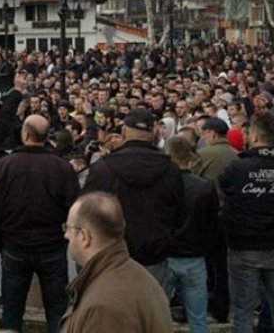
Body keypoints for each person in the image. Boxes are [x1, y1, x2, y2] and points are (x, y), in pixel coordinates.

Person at [0, 114, 80, 332]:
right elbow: (75, 208)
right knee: (57, 313)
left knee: (12, 313)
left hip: (15, 246)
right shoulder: (62, 168)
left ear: (25, 134)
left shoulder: (2, 167)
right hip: (51, 246)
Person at [82, 107, 185, 285]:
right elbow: (179, 212)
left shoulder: (103, 168)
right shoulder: (171, 170)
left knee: (114, 310)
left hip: (113, 255)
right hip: (153, 255)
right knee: (149, 310)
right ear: (154, 133)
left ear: (123, 132)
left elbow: (86, 211)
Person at [60, 192, 174, 332]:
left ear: (85, 236)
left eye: (68, 228)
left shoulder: (104, 307)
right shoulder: (133, 276)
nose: (65, 235)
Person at [219, 111, 274, 333]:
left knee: (242, 312)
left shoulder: (237, 167)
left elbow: (224, 191)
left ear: (253, 136)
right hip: (264, 243)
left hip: (244, 246)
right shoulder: (238, 166)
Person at [165, 136, 219, 333]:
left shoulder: (163, 185)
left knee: (158, 317)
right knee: (198, 319)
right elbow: (212, 221)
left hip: (167, 255)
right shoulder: (204, 186)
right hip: (195, 256)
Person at [195, 116, 238, 323]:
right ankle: (223, 307)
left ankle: (206, 305)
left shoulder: (203, 154)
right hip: (231, 217)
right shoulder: (238, 156)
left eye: (204, 133)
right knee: (223, 266)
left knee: (205, 264)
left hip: (208, 217)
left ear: (211, 133)